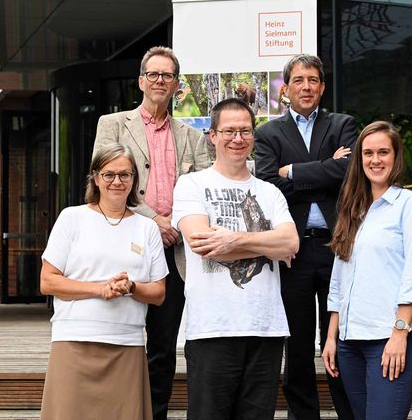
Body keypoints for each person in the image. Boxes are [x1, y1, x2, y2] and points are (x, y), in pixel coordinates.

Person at [92, 46, 210, 419]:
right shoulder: (112, 124)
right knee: (119, 337)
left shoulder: (191, 136)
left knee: (162, 343)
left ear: (177, 85)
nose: (160, 81)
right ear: (141, 80)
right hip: (125, 244)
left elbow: (205, 188)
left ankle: (154, 413)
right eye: (154, 74)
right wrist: (151, 220)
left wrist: (174, 223)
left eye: (168, 76)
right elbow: (104, 180)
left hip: (174, 251)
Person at [172, 98, 299, 420]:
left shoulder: (270, 192)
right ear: (212, 135)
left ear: (253, 136)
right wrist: (266, 244)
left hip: (265, 327)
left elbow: (290, 243)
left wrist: (232, 239)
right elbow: (201, 243)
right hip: (212, 328)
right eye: (229, 131)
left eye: (245, 131)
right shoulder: (192, 184)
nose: (237, 139)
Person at [254, 53, 356, 420]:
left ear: (322, 87)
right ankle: (303, 416)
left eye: (313, 80)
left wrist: (293, 171)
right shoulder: (267, 133)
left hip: (336, 247)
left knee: (343, 336)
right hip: (292, 251)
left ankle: (349, 412)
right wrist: (324, 172)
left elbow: (348, 172)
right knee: (296, 343)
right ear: (286, 89)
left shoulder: (343, 124)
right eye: (298, 80)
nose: (307, 86)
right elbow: (268, 186)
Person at [39, 143, 168, 420]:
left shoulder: (147, 228)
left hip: (126, 346)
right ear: (96, 178)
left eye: (125, 175)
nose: (117, 182)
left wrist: (130, 287)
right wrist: (100, 289)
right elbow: (48, 282)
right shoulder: (71, 218)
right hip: (74, 343)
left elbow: (158, 293)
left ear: (134, 179)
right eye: (109, 174)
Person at [322, 120, 412, 420]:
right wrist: (332, 337)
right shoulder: (354, 210)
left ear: (396, 157)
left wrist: (400, 334)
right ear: (359, 160)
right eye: (368, 153)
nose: (375, 160)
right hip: (349, 343)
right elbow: (339, 280)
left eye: (383, 152)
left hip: (391, 338)